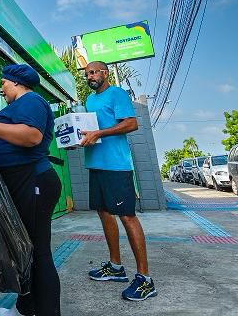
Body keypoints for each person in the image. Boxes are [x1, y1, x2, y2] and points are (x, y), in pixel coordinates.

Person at [0, 64, 61, 316]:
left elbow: (32, 136)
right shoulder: (16, 107)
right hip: (21, 183)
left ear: (17, 82)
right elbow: (1, 138)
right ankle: (26, 309)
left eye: (3, 83)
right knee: (23, 251)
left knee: (39, 252)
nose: (1, 89)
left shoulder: (32, 101)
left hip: (34, 181)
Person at [78, 61, 157, 301]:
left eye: (93, 72)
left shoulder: (117, 94)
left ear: (105, 73)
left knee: (127, 216)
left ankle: (145, 280)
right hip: (95, 164)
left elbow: (132, 123)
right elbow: (89, 129)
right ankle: (115, 267)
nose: (90, 77)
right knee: (103, 212)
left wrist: (100, 133)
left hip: (116, 166)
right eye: (87, 74)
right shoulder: (89, 100)